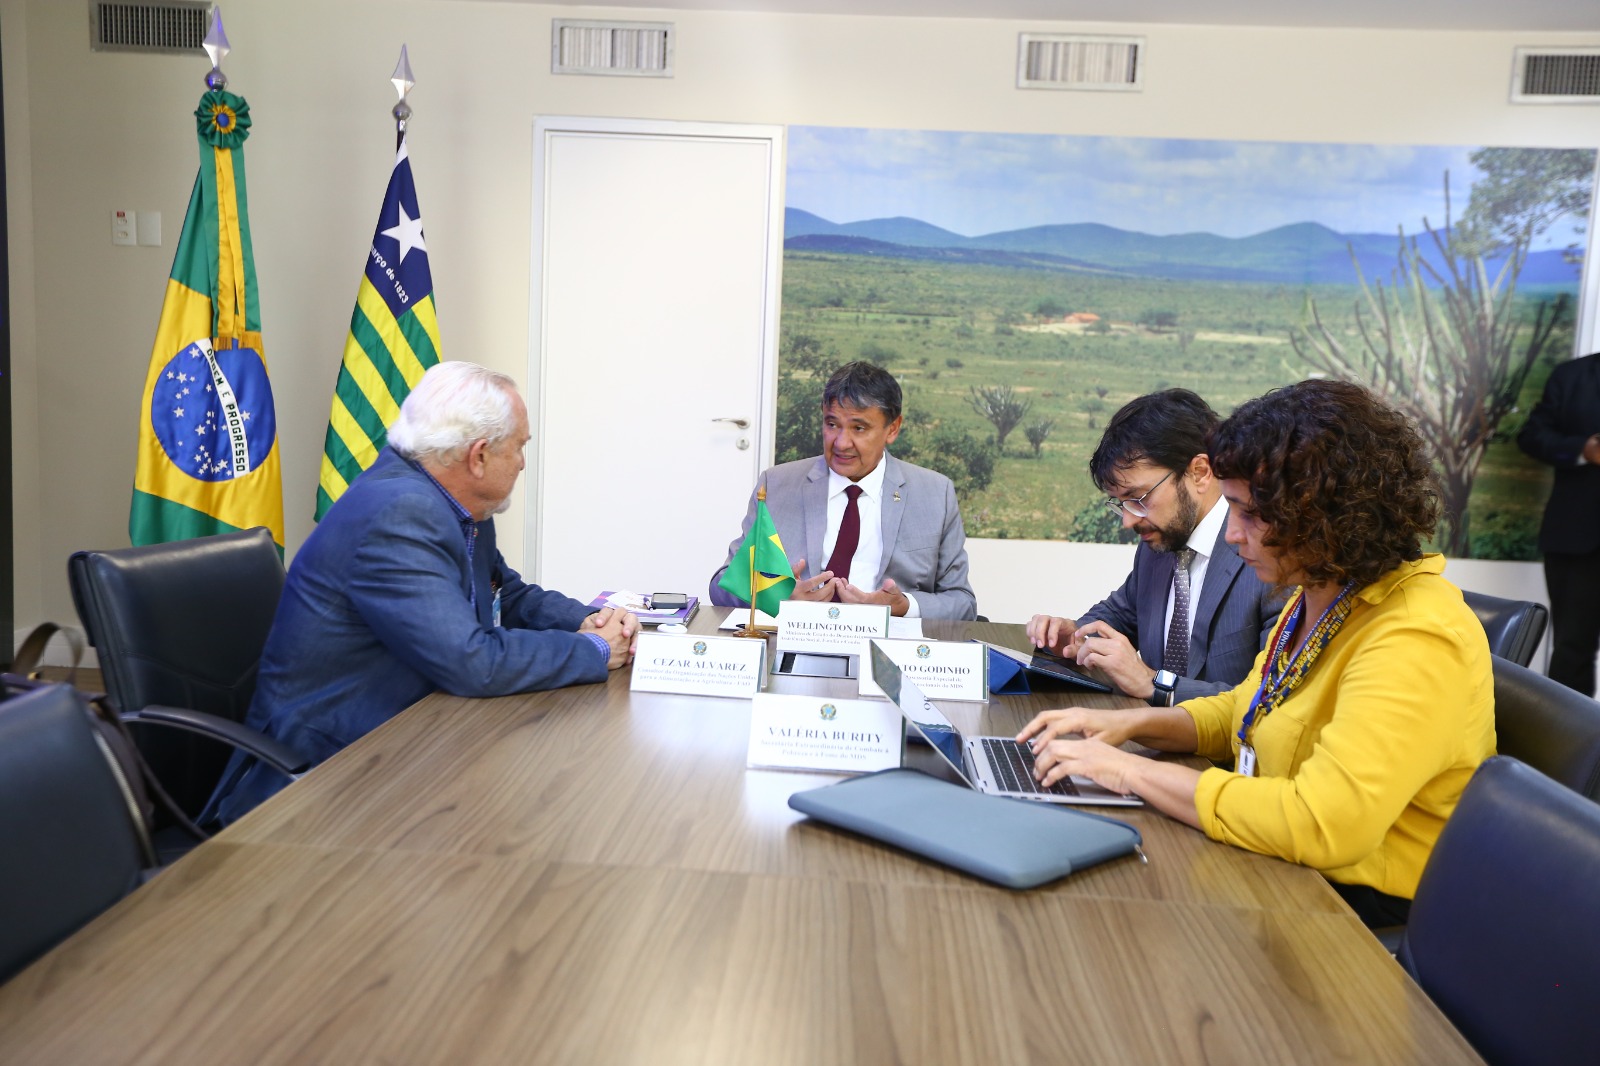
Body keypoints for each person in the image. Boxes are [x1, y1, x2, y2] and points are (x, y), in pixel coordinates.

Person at [1019, 379, 1495, 927]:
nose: (1230, 534)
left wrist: (1129, 772)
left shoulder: (1416, 634)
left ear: (1322, 512)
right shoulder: (1321, 594)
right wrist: (1128, 726)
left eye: (1248, 513)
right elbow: (1245, 708)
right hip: (1288, 866)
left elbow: (1320, 823)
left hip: (1352, 908)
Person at [206, 361, 637, 824]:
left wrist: (589, 620)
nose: (522, 462)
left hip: (413, 741)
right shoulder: (400, 512)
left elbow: (505, 595)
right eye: (519, 447)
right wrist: (593, 650)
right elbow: (470, 662)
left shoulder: (455, 504)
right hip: (325, 775)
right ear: (478, 456)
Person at [1026, 389, 1284, 705]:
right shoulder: (1159, 543)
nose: (1128, 521)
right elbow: (1122, 613)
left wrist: (1155, 684)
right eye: (1121, 504)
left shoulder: (1268, 557)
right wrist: (1075, 636)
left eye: (1139, 499)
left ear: (1200, 473)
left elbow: (1273, 699)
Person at [708, 361, 976, 620]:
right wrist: (777, 596)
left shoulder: (935, 494)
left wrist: (903, 606)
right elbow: (722, 585)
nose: (841, 443)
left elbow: (962, 603)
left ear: (892, 429)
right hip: (797, 639)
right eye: (832, 424)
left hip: (887, 642)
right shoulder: (777, 485)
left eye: (859, 428)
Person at [1517, 351, 1600, 696]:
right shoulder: (1572, 375)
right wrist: (1583, 449)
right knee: (1571, 650)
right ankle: (1570, 732)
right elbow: (1532, 435)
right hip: (1579, 536)